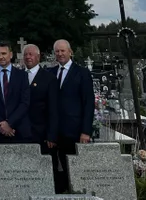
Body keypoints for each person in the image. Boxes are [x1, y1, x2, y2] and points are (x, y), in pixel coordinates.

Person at [50, 39, 94, 193]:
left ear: (70, 52)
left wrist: (86, 131)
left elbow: (89, 103)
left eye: (63, 51)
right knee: (56, 170)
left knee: (74, 170)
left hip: (75, 131)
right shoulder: (50, 73)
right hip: (55, 133)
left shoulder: (82, 73)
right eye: (57, 51)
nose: (60, 54)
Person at [0, 41, 30, 147]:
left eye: (4, 53)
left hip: (18, 129)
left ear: (11, 55)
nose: (1, 57)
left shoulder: (22, 76)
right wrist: (1, 123)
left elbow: (25, 102)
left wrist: (10, 123)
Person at [23, 44, 58, 151]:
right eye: (25, 55)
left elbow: (53, 108)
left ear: (38, 57)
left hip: (41, 132)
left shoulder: (49, 78)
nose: (28, 57)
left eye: (31, 54)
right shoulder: (18, 76)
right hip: (22, 132)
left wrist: (51, 135)